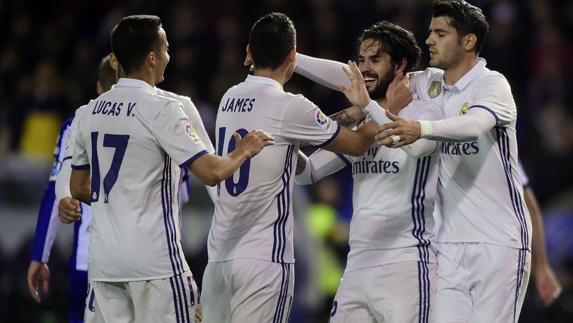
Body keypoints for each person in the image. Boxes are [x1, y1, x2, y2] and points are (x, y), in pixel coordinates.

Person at [68, 15, 273, 323]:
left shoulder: (87, 113)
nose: (168, 56)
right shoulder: (161, 108)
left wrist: (119, 199)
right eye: (165, 49)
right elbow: (211, 172)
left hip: (105, 263)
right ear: (151, 58)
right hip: (156, 264)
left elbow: (79, 188)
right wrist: (243, 151)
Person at [200, 12, 396, 323]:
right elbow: (357, 144)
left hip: (220, 258)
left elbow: (292, 137)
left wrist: (355, 112)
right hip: (264, 259)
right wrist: (385, 109)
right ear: (292, 55)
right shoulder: (291, 105)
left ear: (249, 53)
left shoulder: (229, 98)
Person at [372, 1, 531, 322]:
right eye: (430, 31)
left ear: (468, 41)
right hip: (448, 246)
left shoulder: (492, 84)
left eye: (440, 33)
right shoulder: (430, 84)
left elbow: (473, 126)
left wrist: (421, 127)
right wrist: (288, 59)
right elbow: (364, 73)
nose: (429, 39)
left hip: (498, 242)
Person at [295, 21, 442, 323]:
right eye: (361, 60)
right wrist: (283, 144)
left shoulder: (425, 114)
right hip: (357, 265)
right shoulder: (362, 125)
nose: (365, 69)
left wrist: (371, 108)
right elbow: (307, 173)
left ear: (400, 65)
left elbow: (415, 146)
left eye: (375, 60)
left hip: (406, 263)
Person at [26, 55, 117, 323]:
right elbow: (179, 197)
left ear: (99, 86)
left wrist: (39, 256)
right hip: (143, 258)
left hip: (87, 258)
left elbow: (56, 192)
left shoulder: (78, 122)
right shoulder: (160, 116)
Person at [517, 161, 562, 307]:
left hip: (450, 251)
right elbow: (532, 209)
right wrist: (542, 265)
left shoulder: (444, 151)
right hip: (499, 253)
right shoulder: (504, 147)